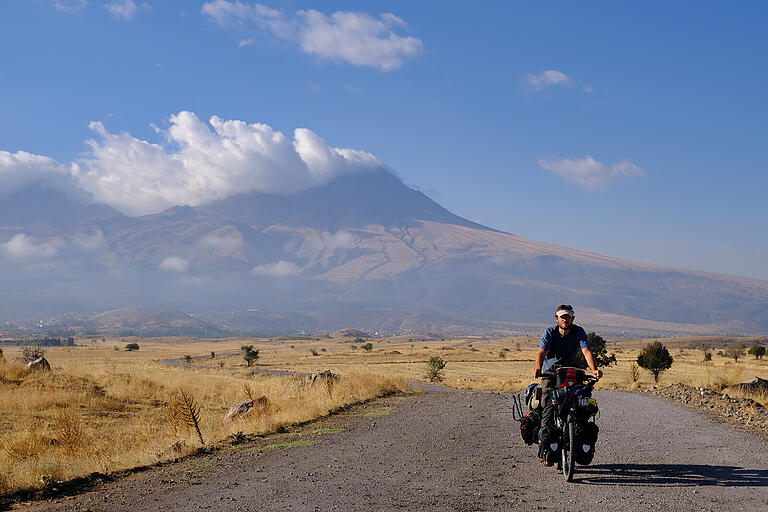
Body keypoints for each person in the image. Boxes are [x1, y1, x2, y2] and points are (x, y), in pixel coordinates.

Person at [532, 304, 602, 466]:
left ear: (573, 318)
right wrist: (538, 367)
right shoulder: (549, 332)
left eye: (568, 316)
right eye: (562, 316)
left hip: (572, 372)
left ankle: (579, 437)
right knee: (548, 403)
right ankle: (547, 450)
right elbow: (541, 352)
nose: (565, 319)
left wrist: (594, 369)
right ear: (557, 318)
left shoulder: (579, 331)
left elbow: (586, 351)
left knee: (581, 402)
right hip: (551, 373)